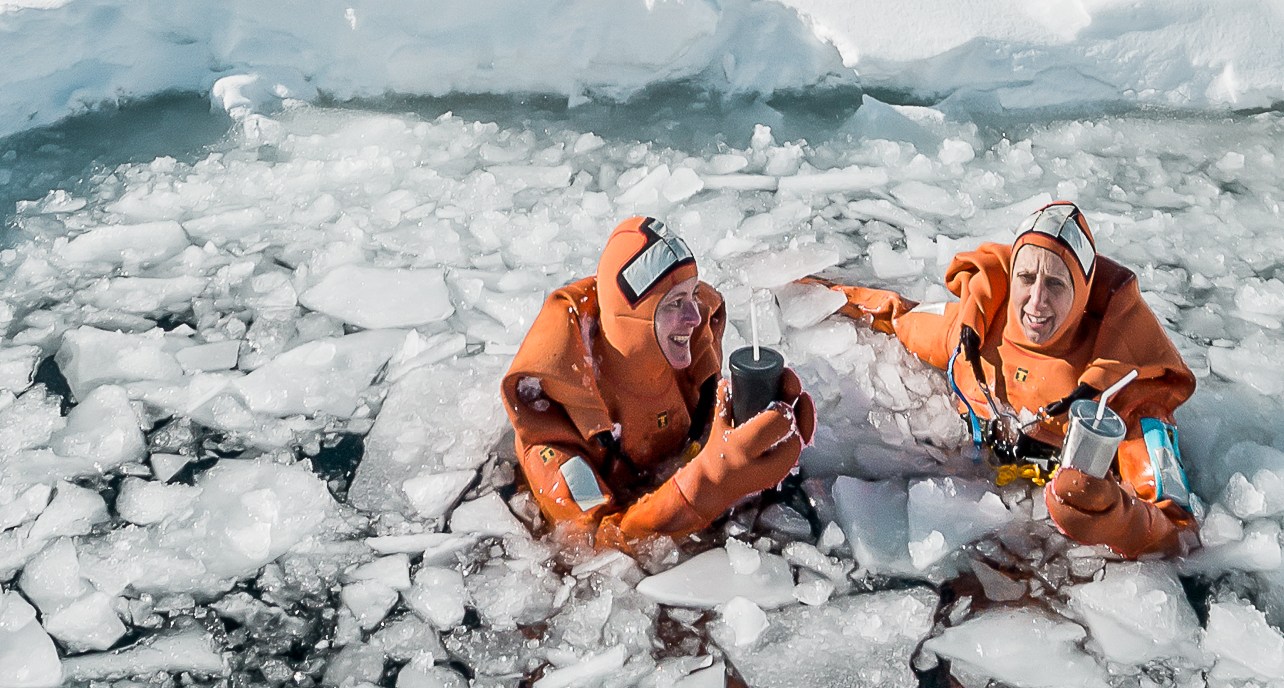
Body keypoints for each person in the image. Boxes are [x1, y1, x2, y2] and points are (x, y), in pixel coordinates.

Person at [836, 197, 1196, 557]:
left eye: (1055, 283)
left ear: (1083, 293)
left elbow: (1178, 529)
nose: (1036, 300)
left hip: (1046, 545)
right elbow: (895, 314)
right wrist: (814, 295)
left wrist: (1115, 518)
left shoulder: (1124, 391)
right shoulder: (972, 334)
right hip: (957, 509)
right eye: (1026, 278)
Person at [502, 216, 815, 542]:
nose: (694, 317)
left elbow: (710, 439)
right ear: (632, 321)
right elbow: (596, 547)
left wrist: (752, 434)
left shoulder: (691, 349)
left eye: (692, 295)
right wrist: (708, 484)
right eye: (675, 304)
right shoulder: (552, 424)